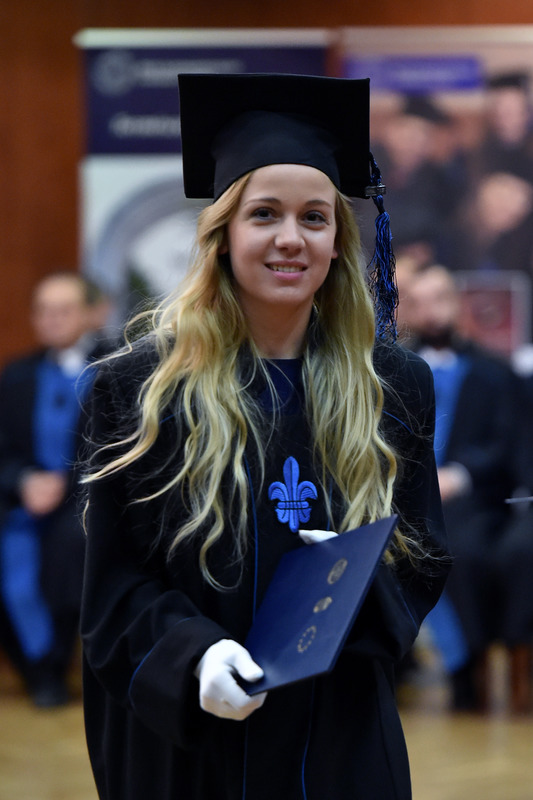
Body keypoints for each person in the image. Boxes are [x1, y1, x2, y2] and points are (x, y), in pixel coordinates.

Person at [80, 73, 449, 800]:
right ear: (222, 234)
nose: (290, 238)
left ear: (338, 241)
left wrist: (350, 582)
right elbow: (115, 585)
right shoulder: (138, 389)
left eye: (314, 217)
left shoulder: (393, 386)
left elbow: (422, 559)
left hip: (333, 731)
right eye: (263, 214)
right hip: (192, 744)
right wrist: (193, 655)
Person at [403, 264, 525, 709]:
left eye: (439, 299)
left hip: (472, 499)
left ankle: (466, 669)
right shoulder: (394, 371)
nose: (431, 311)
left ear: (457, 304)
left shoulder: (494, 373)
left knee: (461, 550)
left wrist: (460, 474)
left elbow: (507, 443)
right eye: (419, 302)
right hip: (406, 495)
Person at [0, 271, 110, 706]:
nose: (52, 320)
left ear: (89, 314)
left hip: (88, 501)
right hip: (24, 501)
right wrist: (24, 480)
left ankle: (59, 664)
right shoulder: (18, 376)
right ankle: (36, 667)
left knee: (72, 548)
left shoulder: (115, 369)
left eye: (63, 310)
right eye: (43, 311)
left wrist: (69, 488)